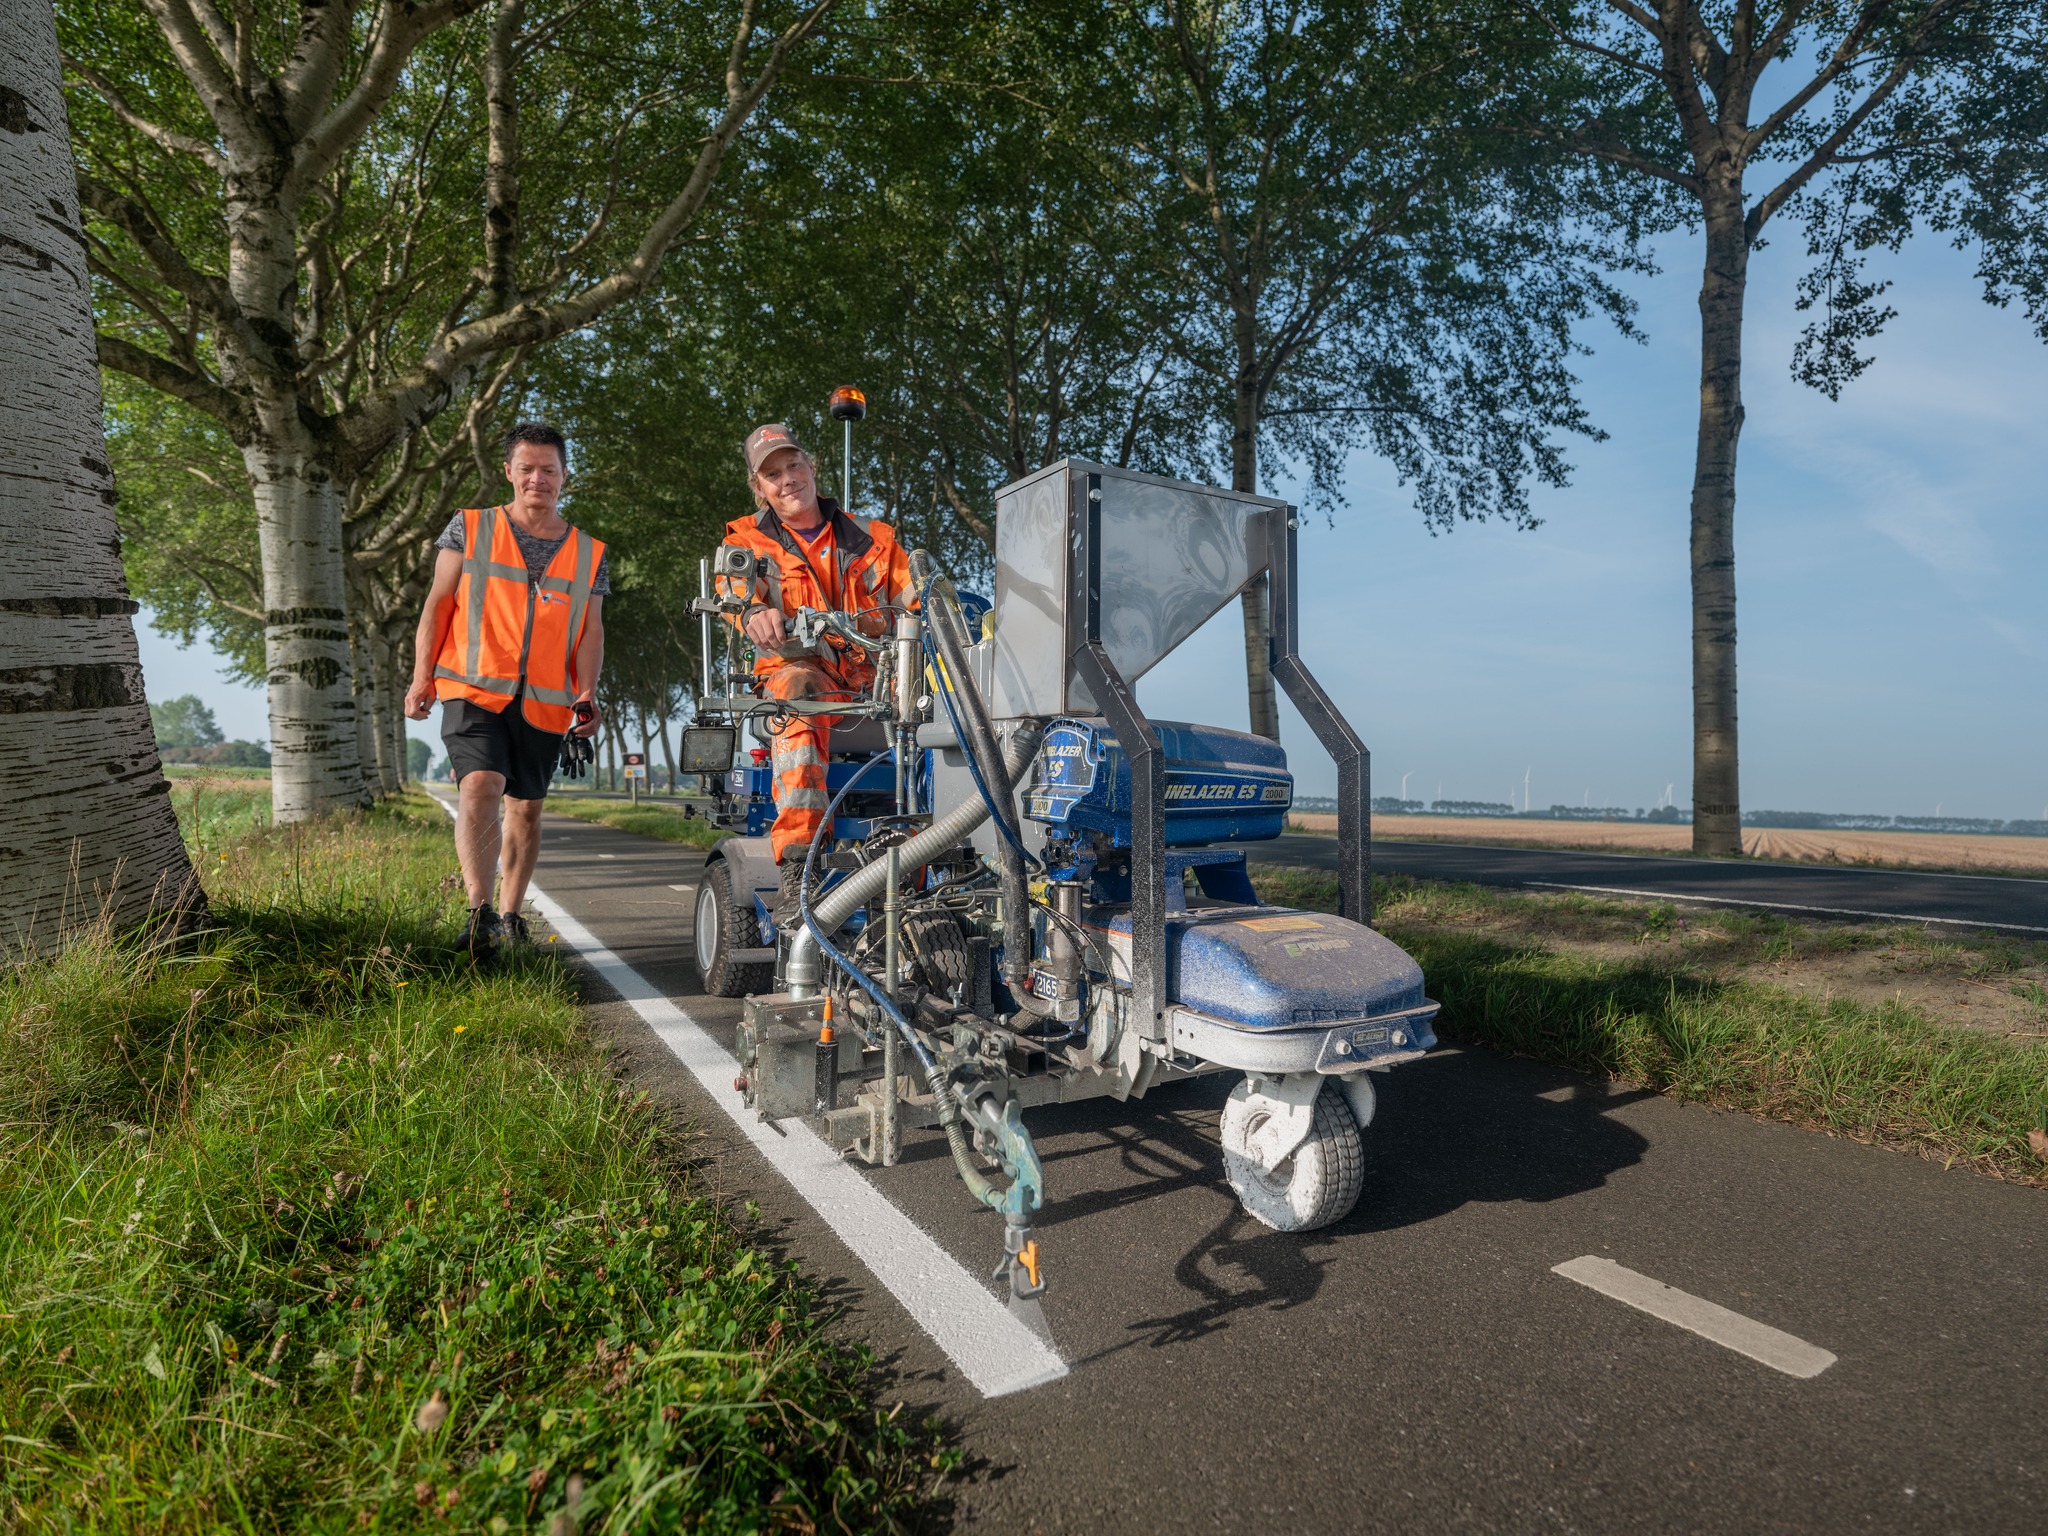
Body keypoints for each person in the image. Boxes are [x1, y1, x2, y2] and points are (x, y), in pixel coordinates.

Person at [404, 422, 608, 955]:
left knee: (526, 807)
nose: (537, 479)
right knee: (480, 784)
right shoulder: (469, 527)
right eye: (527, 469)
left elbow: (590, 631)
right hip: (470, 685)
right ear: (508, 473)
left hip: (546, 699)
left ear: (564, 476)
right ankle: (479, 911)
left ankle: (512, 914)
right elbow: (438, 603)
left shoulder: (589, 552)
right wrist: (422, 674)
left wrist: (587, 691)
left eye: (548, 470)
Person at [719, 422, 917, 925]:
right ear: (758, 487)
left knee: (943, 701)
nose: (787, 479)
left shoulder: (876, 539)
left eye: (793, 466)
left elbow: (916, 601)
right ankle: (799, 865)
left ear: (812, 467)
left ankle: (926, 862)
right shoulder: (747, 541)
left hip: (876, 677)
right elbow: (733, 590)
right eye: (772, 474)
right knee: (798, 690)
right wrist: (750, 613)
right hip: (803, 675)